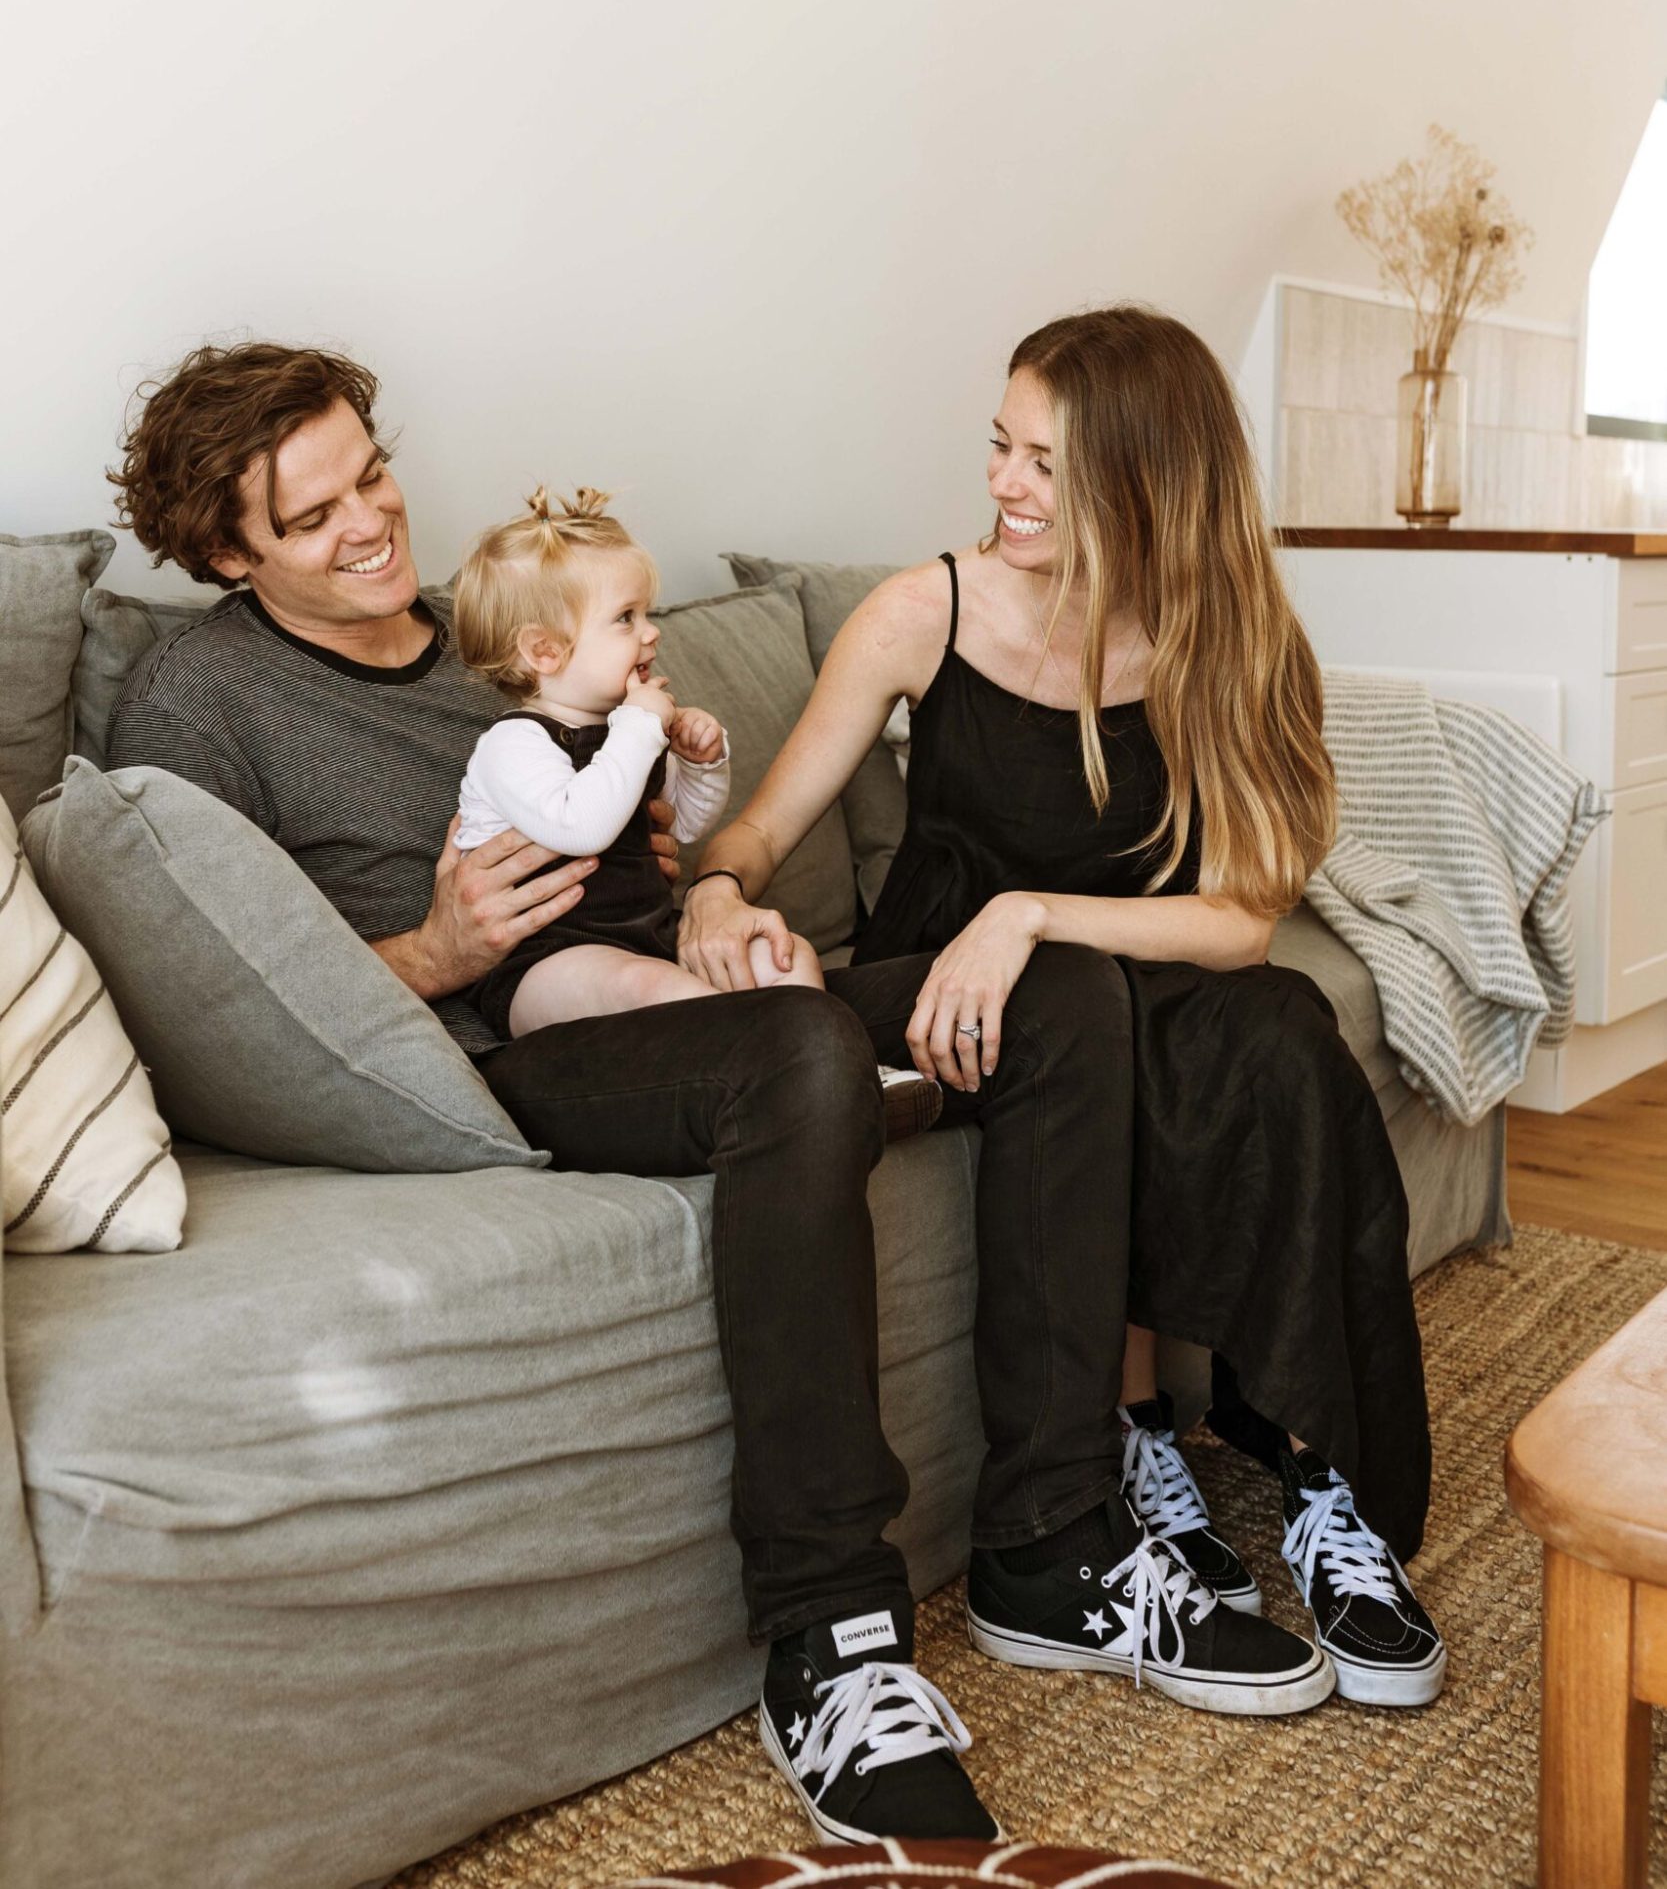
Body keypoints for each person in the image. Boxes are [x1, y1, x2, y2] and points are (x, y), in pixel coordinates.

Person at [106, 339, 1328, 1856]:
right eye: (313, 519)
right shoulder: (197, 707)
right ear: (227, 553)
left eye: (370, 474)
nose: (372, 525)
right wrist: (433, 951)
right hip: (507, 1050)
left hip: (655, 984)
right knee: (800, 1053)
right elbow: (204, 1006)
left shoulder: (503, 628)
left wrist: (714, 902)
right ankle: (828, 1639)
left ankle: (1048, 1542)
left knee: (1055, 986)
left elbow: (670, 838)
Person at [681, 304, 1446, 1716]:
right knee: (1106, 1019)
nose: (1003, 487)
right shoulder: (925, 611)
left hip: (1117, 971)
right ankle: (1132, 1432)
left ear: (1149, 484)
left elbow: (1241, 917)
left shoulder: (1234, 639)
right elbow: (754, 833)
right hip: (960, 1016)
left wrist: (1027, 910)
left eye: (1045, 464)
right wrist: (718, 904)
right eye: (999, 448)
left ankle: (1320, 1488)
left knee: (1280, 1033)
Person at [450, 482, 821, 1038]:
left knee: (784, 955)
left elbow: (687, 824)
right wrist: (643, 725)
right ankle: (771, 1078)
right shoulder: (513, 743)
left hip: (648, 936)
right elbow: (582, 826)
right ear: (544, 651)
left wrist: (699, 763)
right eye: (625, 617)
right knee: (659, 991)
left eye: (645, 613)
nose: (651, 632)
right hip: (544, 962)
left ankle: (842, 1075)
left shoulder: (625, 729)